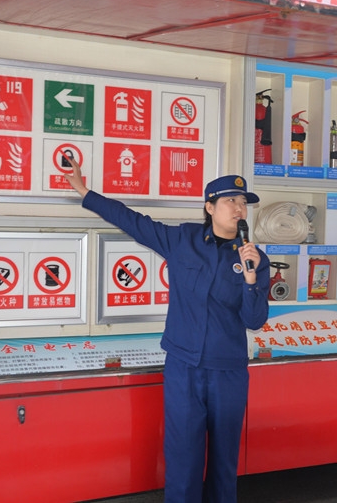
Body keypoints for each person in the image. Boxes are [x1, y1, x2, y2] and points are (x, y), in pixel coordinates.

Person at [63, 158, 270, 502]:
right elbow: (132, 220)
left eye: (243, 203)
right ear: (210, 207)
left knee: (224, 461)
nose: (239, 209)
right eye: (230, 201)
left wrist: (251, 279)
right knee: (183, 456)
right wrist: (85, 192)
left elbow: (255, 320)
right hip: (183, 368)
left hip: (228, 370)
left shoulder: (255, 259)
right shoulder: (182, 239)